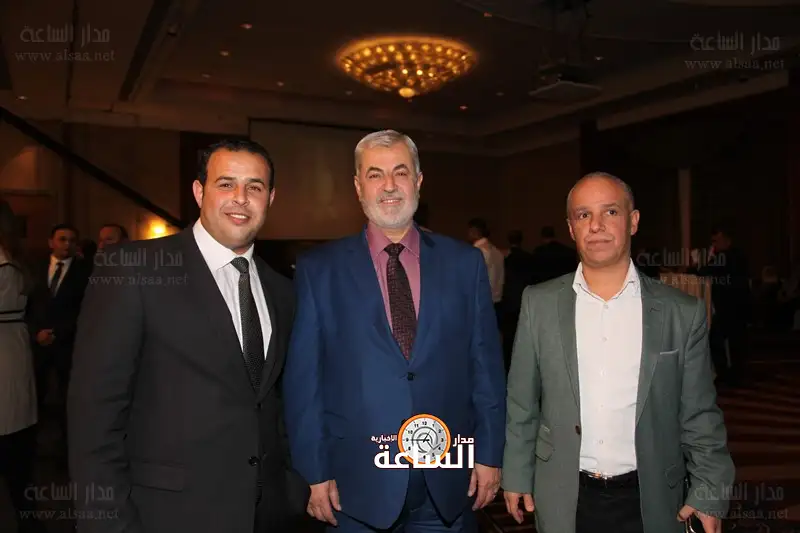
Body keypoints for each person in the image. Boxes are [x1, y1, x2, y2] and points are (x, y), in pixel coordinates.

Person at [68, 139, 309, 533]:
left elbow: (272, 403)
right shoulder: (134, 270)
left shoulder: (282, 291)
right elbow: (93, 420)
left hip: (263, 516)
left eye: (254, 187)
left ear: (270, 198)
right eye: (226, 184)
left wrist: (290, 491)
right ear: (199, 192)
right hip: (163, 516)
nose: (240, 198)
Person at [283, 130, 506, 532]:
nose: (389, 186)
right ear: (358, 187)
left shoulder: (464, 264)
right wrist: (313, 471)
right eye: (375, 174)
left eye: (400, 173)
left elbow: (486, 368)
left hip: (448, 481)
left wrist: (489, 453)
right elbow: (304, 383)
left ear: (418, 181)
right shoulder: (320, 270)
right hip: (354, 487)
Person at [502, 172, 734, 533]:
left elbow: (700, 414)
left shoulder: (681, 313)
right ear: (571, 228)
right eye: (584, 215)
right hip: (563, 493)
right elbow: (522, 402)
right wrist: (517, 473)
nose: (596, 225)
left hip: (652, 497)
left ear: (633, 221)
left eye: (610, 212)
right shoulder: (538, 303)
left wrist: (709, 491)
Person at [0, 200, 44, 533]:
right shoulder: (14, 259)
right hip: (12, 349)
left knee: (13, 449)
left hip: (7, 352)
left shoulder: (5, 264)